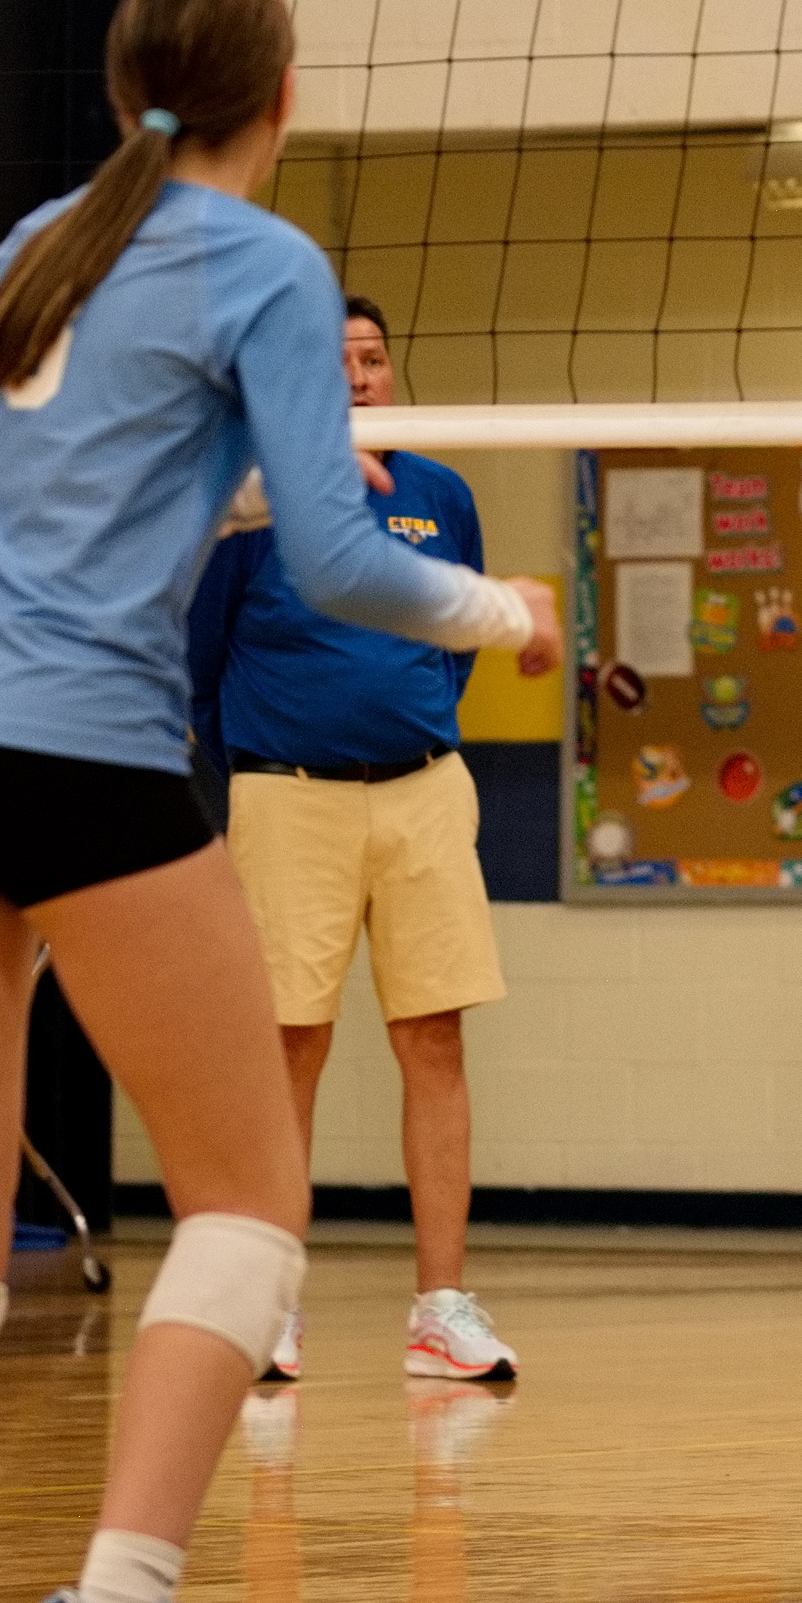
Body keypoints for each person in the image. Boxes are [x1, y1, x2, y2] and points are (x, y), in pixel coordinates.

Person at [0, 0, 561, 1603]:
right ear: (281, 92)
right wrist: (501, 609)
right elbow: (334, 551)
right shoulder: (265, 262)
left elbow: (86, 498)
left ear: (121, 79)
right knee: (247, 1200)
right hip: (81, 753)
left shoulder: (28, 256)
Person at [190, 297, 558, 1388]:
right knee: (287, 1047)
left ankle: (439, 1311)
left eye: (373, 358)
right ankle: (271, 1306)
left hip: (424, 791)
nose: (358, 376)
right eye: (334, 361)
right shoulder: (253, 503)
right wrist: (268, 753)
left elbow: (455, 639)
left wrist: (405, 722)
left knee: (433, 1039)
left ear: (394, 374)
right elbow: (204, 659)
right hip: (286, 797)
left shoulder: (441, 494)